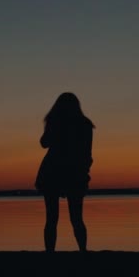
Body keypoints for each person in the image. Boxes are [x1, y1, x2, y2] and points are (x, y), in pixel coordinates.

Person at [35, 92, 95, 252]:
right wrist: (84, 170)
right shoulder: (84, 124)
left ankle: (51, 252)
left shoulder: (57, 121)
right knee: (76, 218)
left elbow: (43, 142)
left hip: (54, 172)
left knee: (52, 218)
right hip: (71, 173)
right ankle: (83, 250)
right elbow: (87, 153)